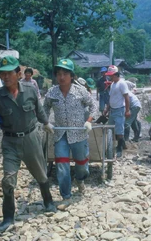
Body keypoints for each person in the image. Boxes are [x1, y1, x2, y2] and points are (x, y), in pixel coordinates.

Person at [0, 56, 56, 232]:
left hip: (31, 138)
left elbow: (39, 109)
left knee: (41, 173)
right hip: (10, 142)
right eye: (2, 74)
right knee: (8, 180)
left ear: (18, 74)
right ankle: (8, 216)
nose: (5, 77)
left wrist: (46, 123)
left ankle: (48, 201)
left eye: (9, 73)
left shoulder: (31, 90)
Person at [43, 59, 97, 200]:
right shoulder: (52, 93)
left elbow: (93, 106)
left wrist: (88, 121)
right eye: (59, 74)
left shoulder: (81, 91)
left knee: (82, 165)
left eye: (65, 74)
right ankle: (66, 196)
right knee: (61, 166)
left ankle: (80, 179)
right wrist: (46, 122)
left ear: (71, 76)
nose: (61, 77)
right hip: (60, 134)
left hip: (79, 133)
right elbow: (45, 108)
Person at [103, 65, 130, 158]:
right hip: (112, 110)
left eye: (111, 75)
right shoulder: (113, 84)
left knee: (119, 130)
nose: (109, 77)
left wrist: (127, 110)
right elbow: (111, 98)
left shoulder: (121, 83)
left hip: (120, 110)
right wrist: (107, 109)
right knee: (110, 129)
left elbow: (126, 97)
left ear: (116, 74)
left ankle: (119, 149)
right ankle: (112, 147)